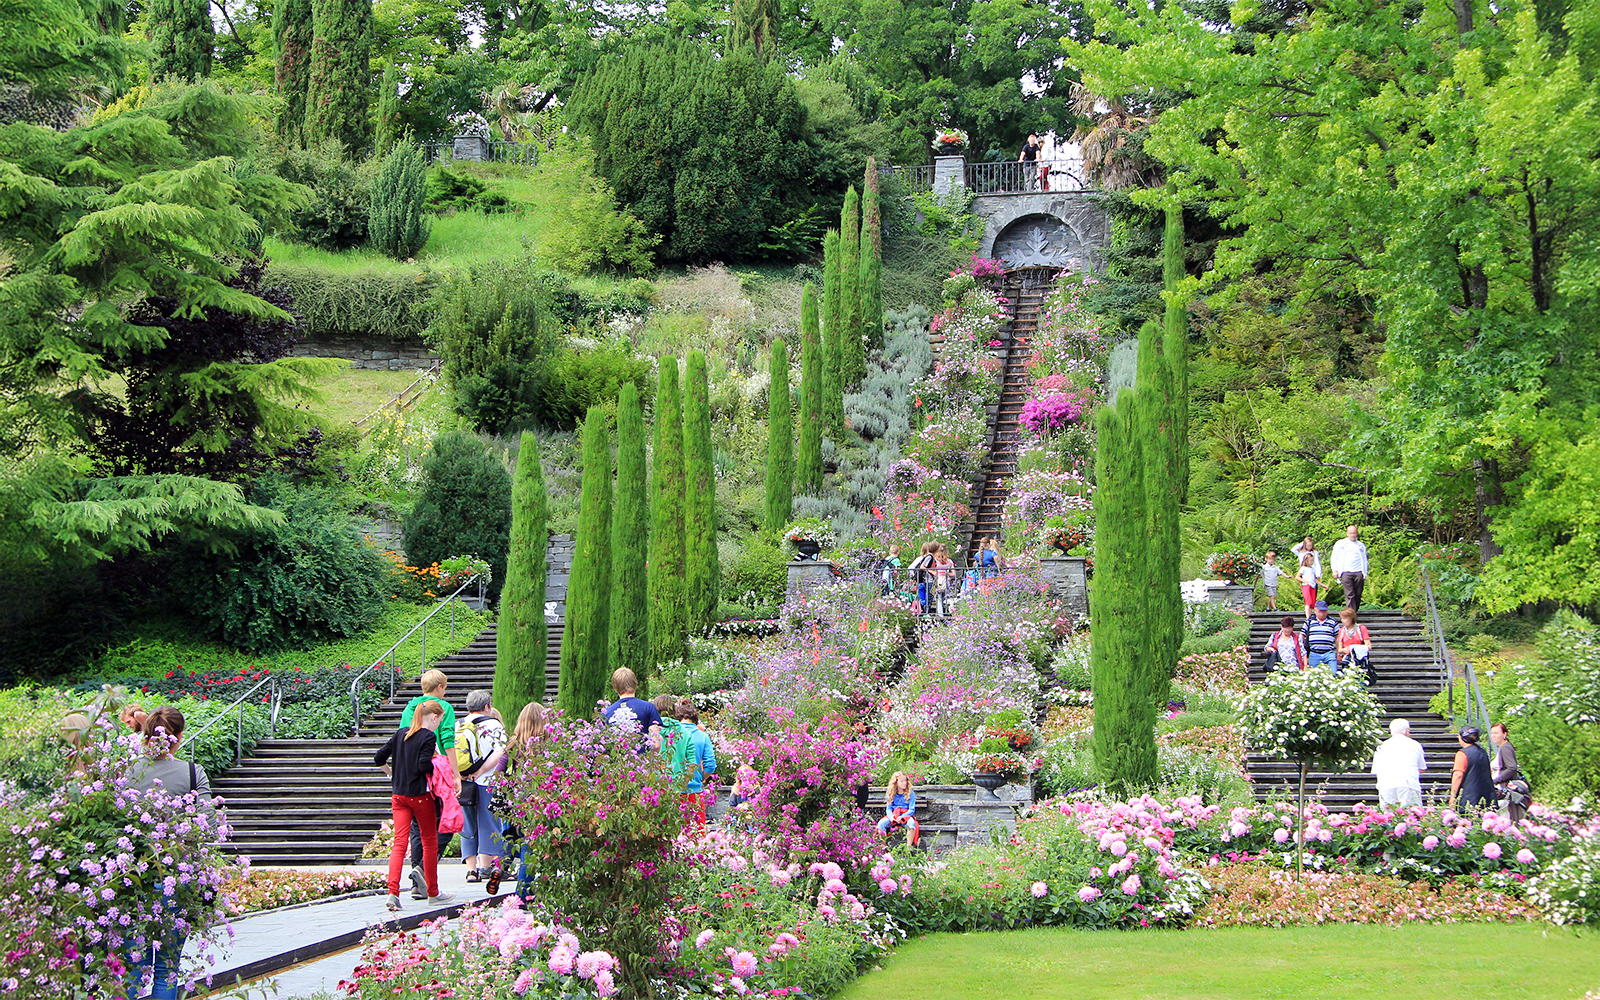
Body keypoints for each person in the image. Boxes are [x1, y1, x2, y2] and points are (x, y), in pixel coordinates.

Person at [125, 707, 213, 1000]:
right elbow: (209, 824)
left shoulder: (128, 771)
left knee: (132, 967)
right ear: (179, 737)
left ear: (146, 735)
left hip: (133, 879)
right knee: (168, 967)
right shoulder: (191, 772)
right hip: (177, 877)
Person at [375, 699, 455, 911]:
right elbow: (423, 766)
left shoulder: (401, 733)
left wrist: (391, 774)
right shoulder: (428, 736)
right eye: (439, 720)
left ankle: (393, 892)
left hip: (398, 795)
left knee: (399, 844)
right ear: (434, 717)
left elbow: (378, 757)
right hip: (420, 795)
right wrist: (437, 761)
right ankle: (433, 892)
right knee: (429, 842)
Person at [399, 669, 457, 894]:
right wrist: (455, 774)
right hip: (436, 771)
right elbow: (447, 741)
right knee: (446, 822)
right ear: (440, 687)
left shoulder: (410, 708)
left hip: (411, 771)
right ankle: (422, 870)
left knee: (417, 825)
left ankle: (417, 882)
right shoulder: (445, 708)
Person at [456, 690, 509, 892]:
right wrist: (482, 770)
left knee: (467, 823)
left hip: (463, 781)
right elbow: (501, 751)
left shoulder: (457, 724)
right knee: (488, 820)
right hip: (486, 780)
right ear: (487, 706)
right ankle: (485, 866)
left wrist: (457, 774)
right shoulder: (492, 724)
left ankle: (471, 870)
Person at [675, 699, 718, 829]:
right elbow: (710, 765)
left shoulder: (673, 735)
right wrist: (701, 777)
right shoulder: (702, 736)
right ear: (695, 720)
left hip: (675, 792)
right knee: (696, 836)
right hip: (695, 791)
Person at [603, 668, 664, 753]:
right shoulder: (648, 707)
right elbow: (656, 744)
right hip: (641, 763)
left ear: (615, 687)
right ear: (635, 684)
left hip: (616, 764)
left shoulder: (606, 713)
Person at [1370, 718, 1427, 807]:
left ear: (1391, 731)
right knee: (1411, 816)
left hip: (1386, 786)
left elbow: (1377, 772)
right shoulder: (1415, 745)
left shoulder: (1382, 746)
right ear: (1407, 731)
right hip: (1409, 785)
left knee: (1388, 817)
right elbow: (1422, 769)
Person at [1490, 722, 1530, 822]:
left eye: (1496, 733)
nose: (1494, 736)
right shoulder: (1503, 747)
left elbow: (1512, 768)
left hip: (1505, 790)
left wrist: (1495, 781)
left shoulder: (1505, 748)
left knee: (1505, 819)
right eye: (1492, 733)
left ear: (1505, 734)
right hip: (1503, 788)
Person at [1449, 726, 1495, 810]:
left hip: (1468, 799)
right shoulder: (1483, 752)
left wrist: (1453, 796)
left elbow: (1458, 775)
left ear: (1461, 737)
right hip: (1487, 798)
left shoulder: (1462, 754)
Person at [1330, 525, 1370, 612]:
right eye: (1351, 533)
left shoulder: (1361, 545)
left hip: (1359, 572)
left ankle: (1354, 611)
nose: (1353, 535)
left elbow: (1365, 560)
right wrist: (1335, 570)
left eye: (1354, 533)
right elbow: (1334, 557)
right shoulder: (1341, 544)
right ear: (1347, 533)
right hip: (1346, 572)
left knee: (1358, 594)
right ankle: (1351, 614)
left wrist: (1365, 574)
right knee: (1350, 594)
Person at [876, 772, 920, 847]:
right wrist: (891, 816)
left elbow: (911, 810)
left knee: (912, 824)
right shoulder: (891, 793)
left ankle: (908, 847)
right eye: (902, 781)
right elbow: (888, 809)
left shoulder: (911, 793)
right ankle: (883, 846)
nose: (904, 783)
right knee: (881, 824)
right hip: (894, 815)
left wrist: (903, 816)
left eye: (905, 781)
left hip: (905, 815)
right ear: (896, 783)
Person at [1336, 608, 1374, 684]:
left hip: (1359, 659)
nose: (1342, 621)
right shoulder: (1342, 631)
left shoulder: (1361, 628)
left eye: (1344, 618)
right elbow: (1339, 648)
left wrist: (1354, 648)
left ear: (1350, 619)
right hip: (1347, 659)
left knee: (1360, 681)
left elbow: (1368, 646)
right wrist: (1344, 650)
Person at [1302, 601, 1340, 672]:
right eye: (1320, 611)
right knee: (1313, 676)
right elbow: (1302, 635)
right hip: (1314, 653)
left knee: (1333, 673)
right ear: (1315, 610)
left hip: (1329, 653)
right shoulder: (1309, 621)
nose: (1322, 614)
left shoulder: (1333, 622)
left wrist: (1338, 653)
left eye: (1324, 611)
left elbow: (1338, 638)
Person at [907, 541, 937, 614]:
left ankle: (922, 611)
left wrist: (914, 576)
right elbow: (922, 567)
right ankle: (925, 611)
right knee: (928, 596)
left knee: (922, 597)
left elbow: (910, 568)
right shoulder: (929, 558)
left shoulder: (920, 558)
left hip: (920, 580)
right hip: (926, 579)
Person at [932, 544, 956, 617]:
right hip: (946, 581)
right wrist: (946, 573)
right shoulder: (949, 561)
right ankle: (948, 611)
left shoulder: (936, 560)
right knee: (945, 597)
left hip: (938, 581)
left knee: (938, 598)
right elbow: (953, 573)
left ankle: (940, 614)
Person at [1295, 552, 1321, 619]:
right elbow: (1297, 577)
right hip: (1306, 586)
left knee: (1312, 602)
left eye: (1313, 560)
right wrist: (1305, 581)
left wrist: (1323, 585)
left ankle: (1310, 615)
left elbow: (1314, 579)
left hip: (1312, 586)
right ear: (1306, 561)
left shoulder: (1312, 569)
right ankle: (1308, 617)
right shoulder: (1303, 568)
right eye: (1311, 560)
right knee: (1308, 602)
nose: (1312, 562)